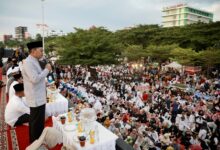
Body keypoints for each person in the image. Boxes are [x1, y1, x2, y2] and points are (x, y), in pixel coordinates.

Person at [22, 41, 52, 143]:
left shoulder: (34, 60)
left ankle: (36, 142)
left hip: (39, 96)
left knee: (37, 122)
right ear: (33, 51)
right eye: (41, 50)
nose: (42, 53)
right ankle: (36, 143)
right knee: (37, 124)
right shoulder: (28, 62)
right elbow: (34, 79)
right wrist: (47, 70)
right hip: (36, 98)